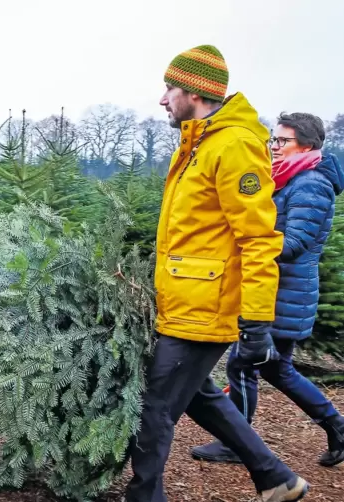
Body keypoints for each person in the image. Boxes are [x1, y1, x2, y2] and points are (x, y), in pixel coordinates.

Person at [123, 45, 309, 502]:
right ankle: (275, 477)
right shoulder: (197, 144)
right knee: (200, 395)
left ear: (195, 92)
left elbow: (258, 239)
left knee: (155, 406)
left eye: (170, 88)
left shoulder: (235, 145)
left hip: (205, 307)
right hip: (185, 301)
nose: (163, 99)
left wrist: (257, 321)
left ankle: (144, 496)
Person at [191, 113, 344, 468]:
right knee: (276, 368)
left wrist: (247, 243)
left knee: (245, 363)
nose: (274, 147)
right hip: (279, 286)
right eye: (273, 140)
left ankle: (235, 442)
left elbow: (295, 243)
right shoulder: (290, 180)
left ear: (306, 144)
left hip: (283, 290)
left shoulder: (311, 183)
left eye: (282, 141)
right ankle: (337, 426)